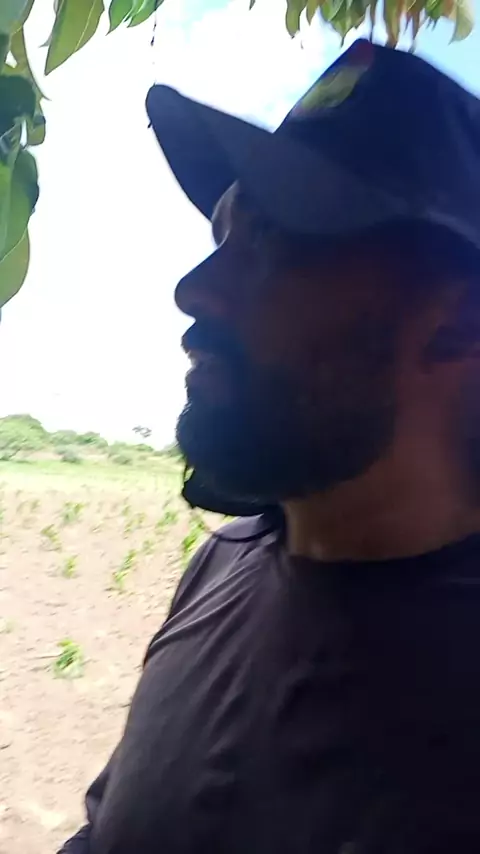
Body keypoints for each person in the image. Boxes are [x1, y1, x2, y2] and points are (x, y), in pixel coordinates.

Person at [60, 39, 480, 854]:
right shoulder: (219, 568)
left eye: (276, 242)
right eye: (222, 235)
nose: (194, 288)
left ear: (461, 321)